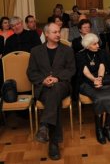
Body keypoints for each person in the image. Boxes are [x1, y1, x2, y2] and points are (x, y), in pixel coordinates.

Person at [27, 23, 76, 160]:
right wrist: (43, 80)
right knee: (53, 98)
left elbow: (71, 70)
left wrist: (57, 78)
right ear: (46, 34)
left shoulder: (67, 50)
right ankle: (53, 143)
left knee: (55, 90)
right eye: (54, 32)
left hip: (62, 85)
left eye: (59, 31)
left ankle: (44, 125)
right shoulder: (36, 51)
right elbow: (31, 72)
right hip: (43, 88)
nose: (58, 34)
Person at [76, 33, 110, 144]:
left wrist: (99, 78)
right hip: (86, 82)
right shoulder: (80, 55)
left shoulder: (102, 53)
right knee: (99, 98)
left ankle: (107, 128)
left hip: (102, 79)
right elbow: (85, 70)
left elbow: (102, 66)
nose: (97, 45)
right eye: (94, 44)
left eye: (97, 43)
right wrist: (93, 80)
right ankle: (99, 129)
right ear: (88, 45)